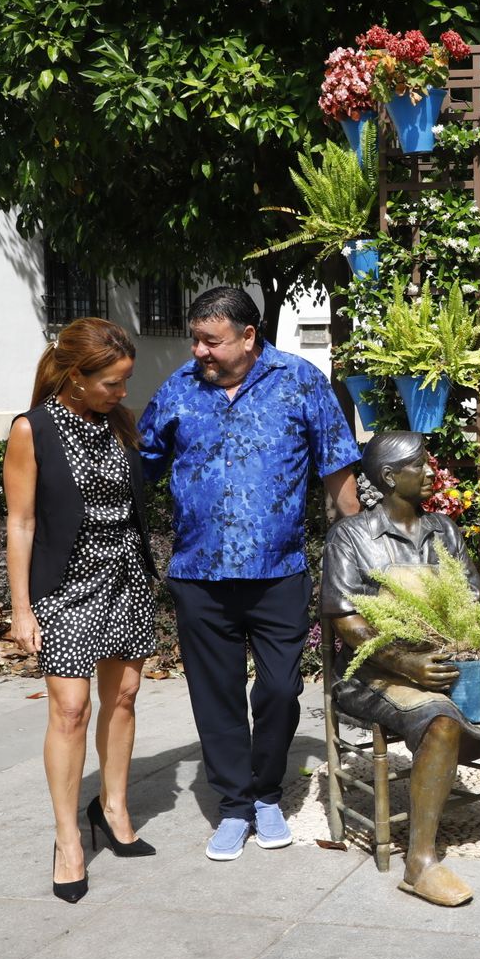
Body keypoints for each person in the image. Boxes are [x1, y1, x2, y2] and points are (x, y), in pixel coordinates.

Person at [139, 286, 361, 861]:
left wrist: (355, 560)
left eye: (210, 341)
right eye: (195, 339)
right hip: (199, 575)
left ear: (247, 337)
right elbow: (139, 465)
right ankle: (236, 806)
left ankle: (268, 790)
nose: (198, 352)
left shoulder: (301, 381)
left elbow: (338, 475)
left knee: (283, 690)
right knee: (215, 698)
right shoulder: (179, 389)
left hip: (279, 572)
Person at [320, 431, 480, 905]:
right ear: (390, 477)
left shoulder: (444, 531)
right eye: (420, 465)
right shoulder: (351, 537)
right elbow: (347, 620)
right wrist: (405, 662)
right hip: (376, 672)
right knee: (439, 719)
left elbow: (473, 604)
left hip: (454, 662)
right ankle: (420, 862)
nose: (431, 472)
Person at [4, 318, 159, 903]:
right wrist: (23, 608)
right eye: (113, 383)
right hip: (65, 583)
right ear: (75, 376)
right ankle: (68, 838)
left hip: (124, 576)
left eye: (125, 382)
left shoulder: (119, 423)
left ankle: (112, 807)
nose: (123, 393)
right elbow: (21, 523)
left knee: (122, 697)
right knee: (70, 709)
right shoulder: (32, 429)